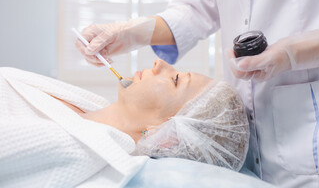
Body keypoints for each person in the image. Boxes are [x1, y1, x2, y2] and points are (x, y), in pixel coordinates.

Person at [75, 0, 319, 187]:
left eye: (176, 78)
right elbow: (198, 6)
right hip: (244, 129)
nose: (159, 65)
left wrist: (298, 50)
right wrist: (133, 32)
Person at [0, 59, 249, 187]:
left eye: (175, 79)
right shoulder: (91, 105)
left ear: (166, 135)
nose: (159, 63)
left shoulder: (77, 151)